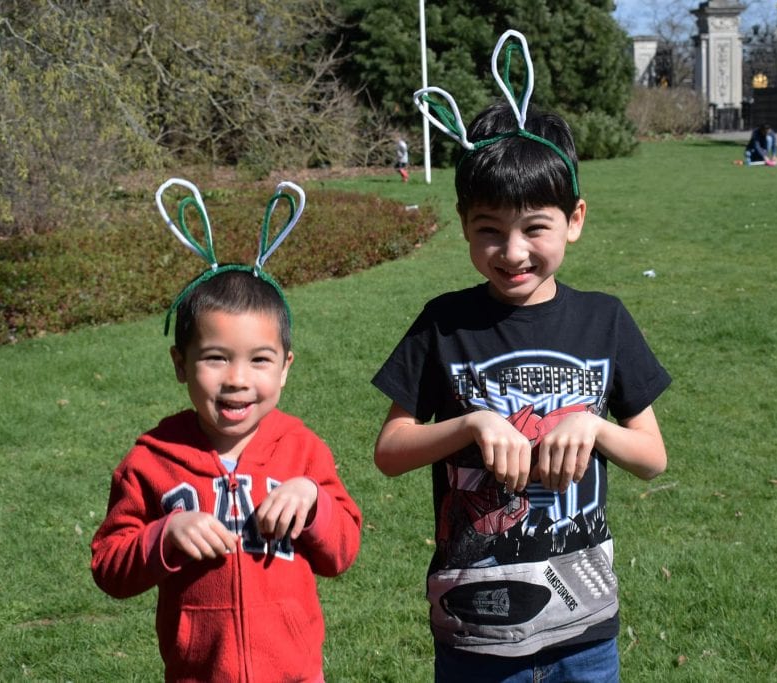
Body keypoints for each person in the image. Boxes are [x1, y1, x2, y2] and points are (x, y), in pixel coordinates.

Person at [374, 33, 671, 681]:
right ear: (463, 224)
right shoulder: (444, 324)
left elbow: (653, 457)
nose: (512, 251)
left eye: (535, 226)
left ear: (575, 219)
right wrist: (471, 425)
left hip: (585, 631)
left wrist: (594, 426)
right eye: (489, 230)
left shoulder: (605, 319)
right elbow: (390, 449)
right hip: (474, 631)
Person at [91, 180, 362, 682]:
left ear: (285, 368)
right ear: (181, 363)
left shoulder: (302, 451)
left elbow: (342, 551)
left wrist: (314, 501)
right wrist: (162, 536)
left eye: (260, 360)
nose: (238, 379)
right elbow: (109, 565)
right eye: (215, 358)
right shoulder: (152, 459)